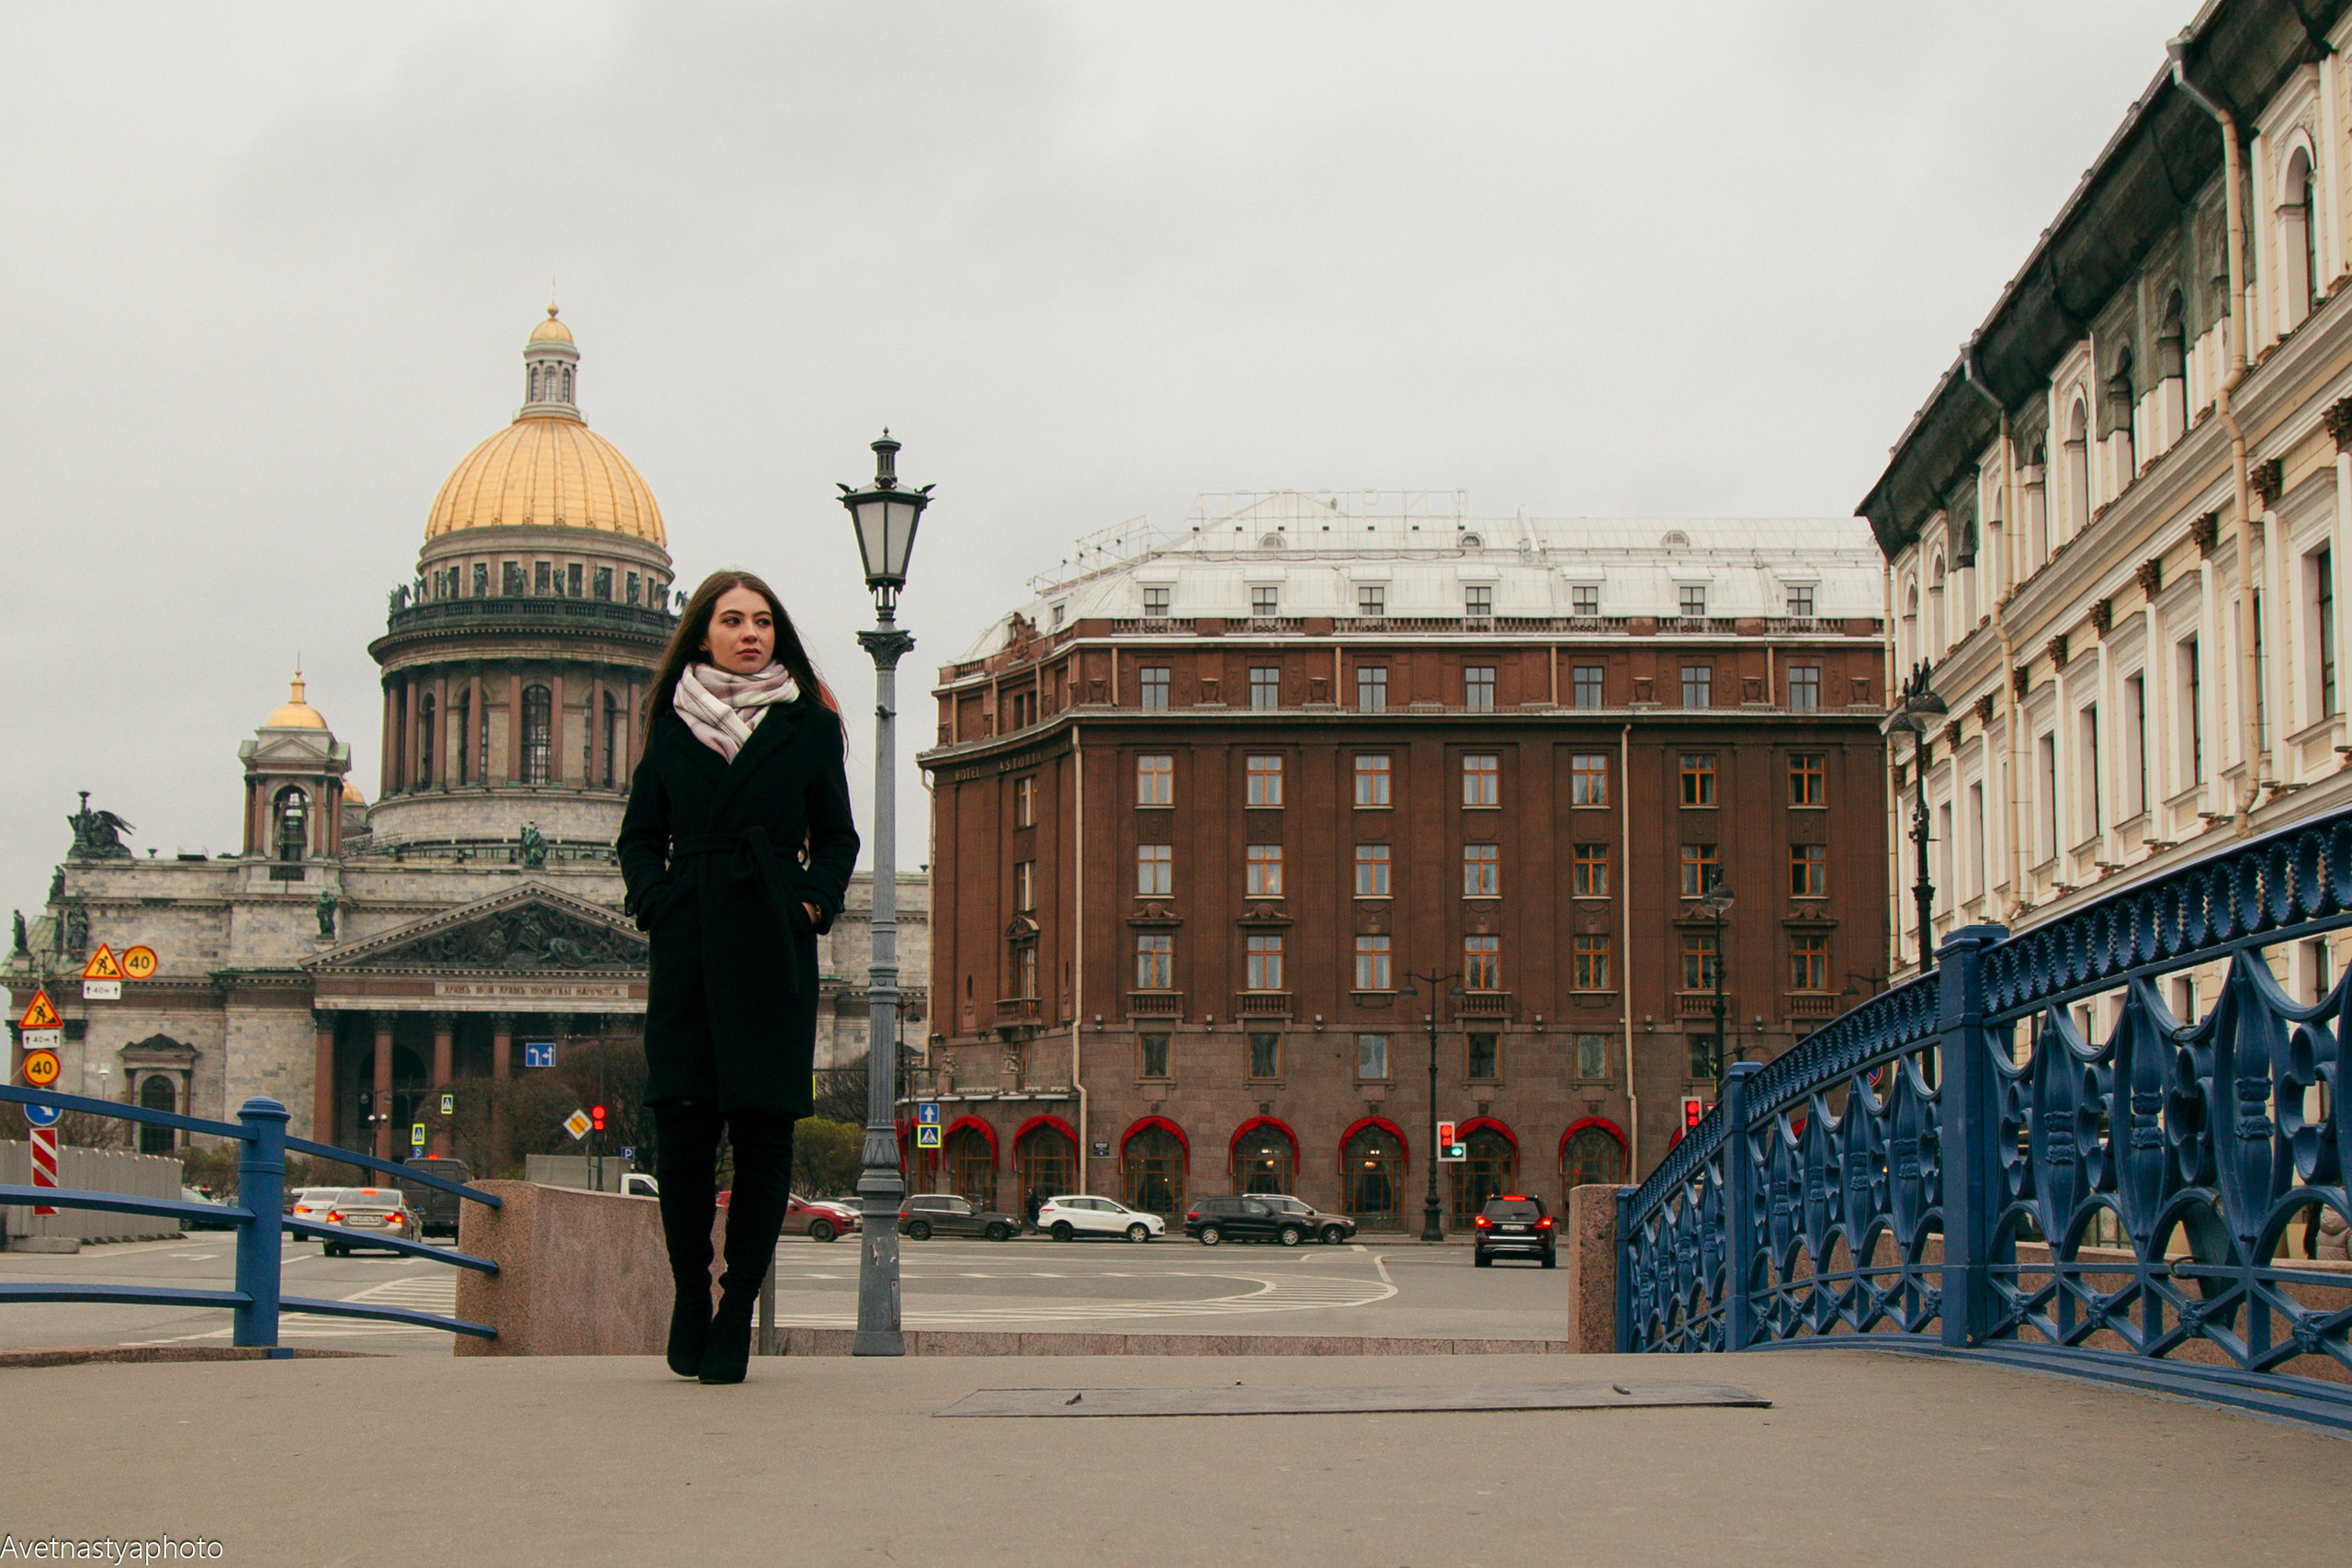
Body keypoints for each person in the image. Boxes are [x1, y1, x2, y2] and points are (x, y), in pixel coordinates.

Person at [617, 570, 859, 1383]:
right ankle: (692, 1290)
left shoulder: (808, 725)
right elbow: (639, 836)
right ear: (704, 634)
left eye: (762, 621)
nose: (749, 632)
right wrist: (659, 902)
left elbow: (837, 839)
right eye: (732, 620)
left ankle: (735, 1311)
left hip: (769, 946)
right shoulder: (669, 723)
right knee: (682, 1137)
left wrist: (811, 907)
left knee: (763, 1140)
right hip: (688, 947)